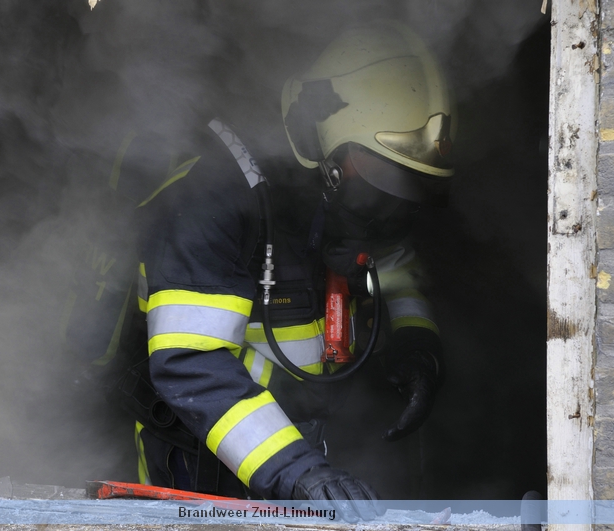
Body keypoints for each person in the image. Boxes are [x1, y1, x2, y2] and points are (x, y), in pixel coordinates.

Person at [106, 23, 453, 514]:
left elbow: (395, 263)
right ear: (326, 146)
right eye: (376, 175)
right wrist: (297, 471)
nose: (385, 203)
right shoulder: (211, 202)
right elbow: (191, 363)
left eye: (403, 187)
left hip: (306, 453)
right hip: (203, 467)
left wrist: (417, 343)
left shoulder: (349, 203)